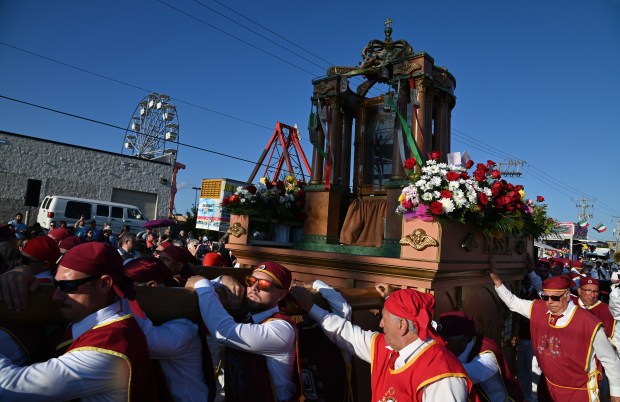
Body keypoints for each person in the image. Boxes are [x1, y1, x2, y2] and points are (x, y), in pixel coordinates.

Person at [0, 242, 160, 401]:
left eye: (68, 286)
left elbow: (11, 388)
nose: (56, 296)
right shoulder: (83, 318)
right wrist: (20, 271)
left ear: (104, 284)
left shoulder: (109, 344)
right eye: (56, 285)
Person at [290, 284, 474, 402]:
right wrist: (311, 307)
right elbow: (345, 333)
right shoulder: (387, 348)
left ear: (401, 325)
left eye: (383, 318)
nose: (380, 324)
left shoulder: (441, 374)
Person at [488, 256, 620, 401]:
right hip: (548, 388)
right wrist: (497, 282)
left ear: (568, 295)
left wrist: (615, 394)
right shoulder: (539, 309)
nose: (549, 302)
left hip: (578, 391)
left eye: (555, 298)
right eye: (546, 297)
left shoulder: (590, 323)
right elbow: (514, 303)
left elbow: (611, 361)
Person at [185, 261, 302, 402]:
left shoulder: (281, 329)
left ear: (282, 295)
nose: (253, 288)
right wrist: (223, 279)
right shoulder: (248, 316)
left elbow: (223, 331)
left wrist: (202, 284)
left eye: (263, 285)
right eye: (250, 281)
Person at [124, 257, 213, 402]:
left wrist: (123, 298)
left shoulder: (184, 327)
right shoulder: (155, 319)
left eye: (129, 288)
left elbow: (147, 342)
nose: (124, 294)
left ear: (152, 286)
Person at [437, 311, 524, 401]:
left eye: (448, 341)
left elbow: (460, 374)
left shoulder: (487, 355)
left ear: (465, 340)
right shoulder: (456, 348)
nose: (443, 344)